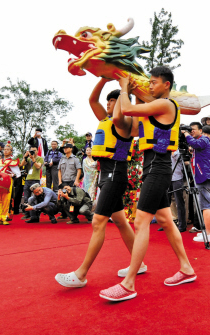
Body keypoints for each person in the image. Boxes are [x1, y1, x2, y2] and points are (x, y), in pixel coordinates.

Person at [99, 67, 196, 302]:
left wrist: (125, 89)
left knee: (141, 221)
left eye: (154, 82)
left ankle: (129, 283)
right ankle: (187, 269)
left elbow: (130, 108)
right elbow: (127, 123)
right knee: (165, 219)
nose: (150, 86)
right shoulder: (150, 111)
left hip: (158, 168)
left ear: (166, 85)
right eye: (148, 83)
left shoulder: (167, 104)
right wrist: (127, 93)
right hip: (150, 168)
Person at [55, 80, 142, 292]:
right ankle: (139, 263)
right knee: (121, 221)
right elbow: (92, 100)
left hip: (115, 173)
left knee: (98, 222)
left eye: (114, 101)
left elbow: (123, 113)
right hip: (106, 173)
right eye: (109, 101)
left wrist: (124, 91)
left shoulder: (122, 122)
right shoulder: (106, 119)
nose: (109, 104)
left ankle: (81, 274)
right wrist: (104, 78)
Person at [183, 121, 210, 242]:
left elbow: (194, 143)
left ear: (201, 130)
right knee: (204, 205)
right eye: (189, 130)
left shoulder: (204, 139)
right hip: (203, 175)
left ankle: (208, 234)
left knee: (205, 206)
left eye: (193, 130)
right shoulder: (201, 141)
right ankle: (208, 231)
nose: (191, 132)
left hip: (204, 176)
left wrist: (185, 134)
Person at [0, 143, 21, 226]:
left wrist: (11, 175)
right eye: (5, 149)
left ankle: (5, 217)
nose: (6, 151)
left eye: (8, 149)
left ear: (11, 152)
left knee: (6, 199)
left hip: (7, 182)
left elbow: (18, 174)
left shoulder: (12, 162)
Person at [20, 146, 44, 220]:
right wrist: (25, 157)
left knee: (36, 198)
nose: (33, 152)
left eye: (34, 150)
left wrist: (33, 158)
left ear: (37, 151)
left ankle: (36, 214)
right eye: (31, 150)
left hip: (35, 180)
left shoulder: (40, 158)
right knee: (26, 198)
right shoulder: (28, 158)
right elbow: (22, 164)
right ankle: (27, 214)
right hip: (27, 179)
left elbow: (38, 166)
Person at [170, 149, 187, 232]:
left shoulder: (178, 151)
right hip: (167, 178)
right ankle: (167, 223)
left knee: (179, 202)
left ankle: (182, 225)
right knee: (166, 203)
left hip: (177, 178)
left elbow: (181, 160)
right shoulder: (165, 149)